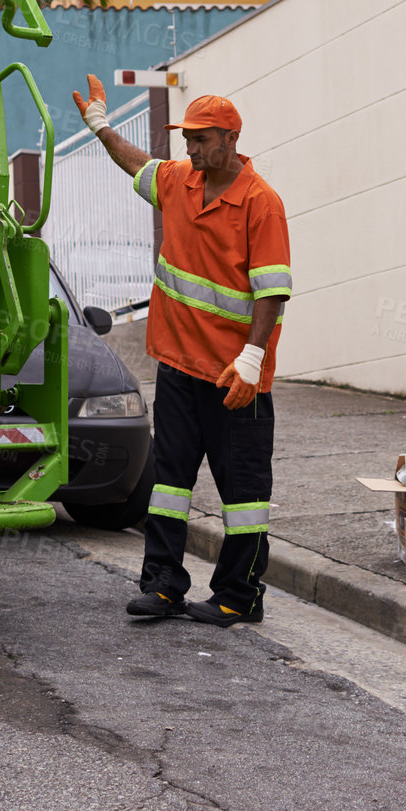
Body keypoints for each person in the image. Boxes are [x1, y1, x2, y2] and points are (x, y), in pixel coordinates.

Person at [72, 75, 291, 625]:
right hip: (178, 368)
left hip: (234, 377)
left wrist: (251, 359)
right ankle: (164, 584)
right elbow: (136, 162)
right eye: (187, 138)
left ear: (230, 139)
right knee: (168, 483)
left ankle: (239, 596)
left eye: (200, 139)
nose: (190, 149)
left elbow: (272, 291)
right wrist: (100, 125)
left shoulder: (261, 203)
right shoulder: (179, 183)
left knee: (243, 494)